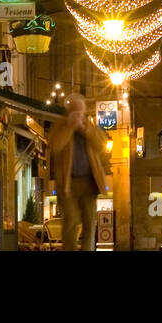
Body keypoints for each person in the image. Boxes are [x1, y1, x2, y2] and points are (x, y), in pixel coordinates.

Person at [50, 93, 110, 251]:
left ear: (84, 112)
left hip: (89, 182)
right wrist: (70, 128)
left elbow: (102, 146)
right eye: (74, 112)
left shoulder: (90, 126)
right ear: (68, 112)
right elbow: (56, 146)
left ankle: (87, 249)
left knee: (90, 220)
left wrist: (84, 130)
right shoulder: (61, 126)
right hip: (68, 183)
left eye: (80, 113)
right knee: (70, 219)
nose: (77, 116)